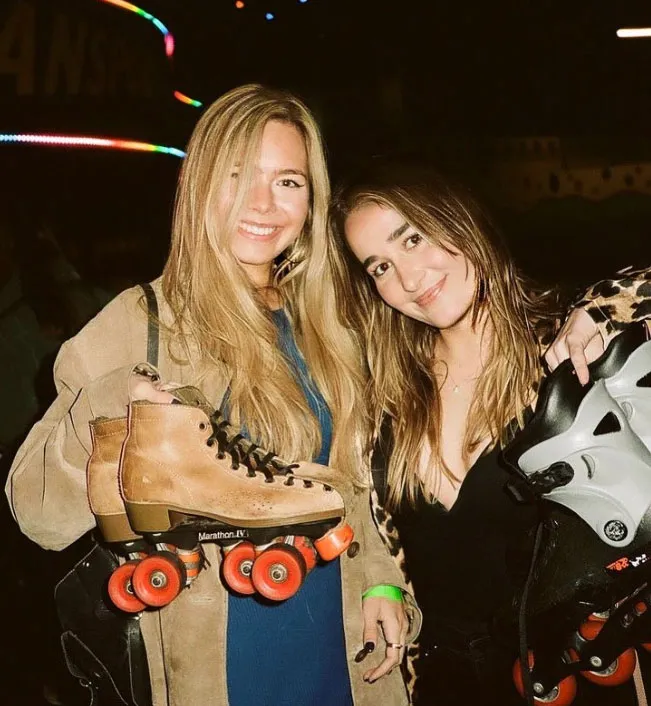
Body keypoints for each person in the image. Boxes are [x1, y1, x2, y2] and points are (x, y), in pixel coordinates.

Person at [5, 85, 421, 706]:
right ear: (199, 184)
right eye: (237, 174)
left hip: (340, 652)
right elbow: (37, 514)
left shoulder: (330, 327)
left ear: (313, 198)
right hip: (217, 664)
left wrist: (384, 583)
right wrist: (111, 402)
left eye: (288, 181)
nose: (263, 203)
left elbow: (352, 487)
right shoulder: (139, 323)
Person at [331, 163, 651, 705]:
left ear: (461, 221)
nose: (408, 279)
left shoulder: (564, 355)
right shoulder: (383, 392)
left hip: (573, 680)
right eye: (380, 266)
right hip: (440, 685)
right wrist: (380, 583)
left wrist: (605, 303)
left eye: (412, 238)